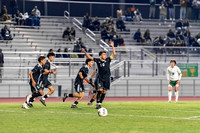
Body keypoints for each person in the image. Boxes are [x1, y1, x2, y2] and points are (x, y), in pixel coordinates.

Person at [82, 41, 116, 109]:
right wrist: (85, 52)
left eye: (105, 54)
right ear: (100, 56)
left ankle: (99, 103)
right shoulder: (98, 60)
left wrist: (112, 46)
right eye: (103, 55)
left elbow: (114, 54)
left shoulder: (108, 60)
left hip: (107, 78)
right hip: (100, 78)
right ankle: (97, 103)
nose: (105, 56)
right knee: (99, 90)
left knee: (104, 91)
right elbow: (90, 57)